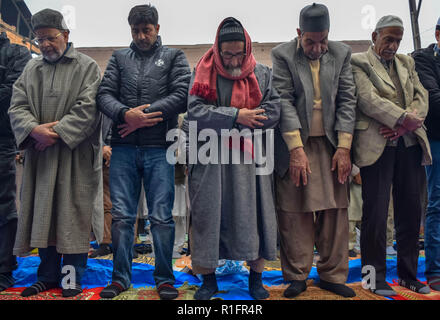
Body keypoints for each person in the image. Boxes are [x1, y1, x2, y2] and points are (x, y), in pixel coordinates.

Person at [96, 4, 191, 300]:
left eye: (146, 30)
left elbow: (183, 95)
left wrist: (142, 116)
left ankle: (164, 279)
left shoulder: (174, 56)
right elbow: (103, 95)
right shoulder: (118, 57)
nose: (141, 36)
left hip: (159, 147)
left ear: (157, 29)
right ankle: (120, 278)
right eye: (136, 31)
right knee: (123, 217)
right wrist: (125, 114)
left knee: (161, 218)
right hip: (123, 148)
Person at [8, 8, 103, 298]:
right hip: (41, 159)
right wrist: (33, 131)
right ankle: (47, 276)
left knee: (71, 216)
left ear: (66, 35)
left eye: (50, 38)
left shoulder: (87, 67)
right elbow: (17, 106)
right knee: (42, 215)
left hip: (75, 158)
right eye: (40, 41)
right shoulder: (31, 69)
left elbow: (89, 108)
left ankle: (70, 278)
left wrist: (55, 134)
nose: (45, 45)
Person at [184, 16, 281, 300]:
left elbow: (274, 110)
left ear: (248, 49)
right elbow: (195, 113)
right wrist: (238, 116)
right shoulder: (201, 74)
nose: (233, 59)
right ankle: (208, 280)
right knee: (208, 215)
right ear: (217, 49)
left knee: (255, 215)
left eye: (240, 53)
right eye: (227, 54)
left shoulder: (263, 74)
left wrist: (245, 121)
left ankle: (256, 278)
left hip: (251, 161)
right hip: (211, 158)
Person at [272, 3, 357, 298]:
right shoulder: (282, 55)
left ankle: (332, 275)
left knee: (336, 209)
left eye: (323, 41)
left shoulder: (342, 53)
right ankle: (297, 275)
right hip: (296, 143)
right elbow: (283, 101)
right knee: (295, 210)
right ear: (299, 34)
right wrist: (296, 149)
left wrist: (344, 148)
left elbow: (348, 101)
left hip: (333, 145)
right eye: (310, 41)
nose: (318, 48)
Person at [351, 15, 431, 296]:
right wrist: (402, 119)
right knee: (375, 214)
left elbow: (422, 95)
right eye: (388, 39)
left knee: (410, 212)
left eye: (397, 40)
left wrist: (408, 123)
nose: (393, 45)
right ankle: (373, 280)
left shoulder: (407, 63)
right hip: (378, 147)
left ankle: (409, 277)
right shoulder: (359, 62)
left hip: (408, 145)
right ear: (374, 37)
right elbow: (367, 99)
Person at [0, 32, 31, 292]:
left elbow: (10, 95)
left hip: (1, 138)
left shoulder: (16, 53)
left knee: (3, 203)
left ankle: (4, 268)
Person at [413, 17, 440, 292]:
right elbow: (434, 101)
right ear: (438, 34)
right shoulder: (423, 59)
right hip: (436, 139)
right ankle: (435, 269)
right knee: (437, 204)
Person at [89, 114, 113, 258]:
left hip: (127, 151)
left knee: (128, 202)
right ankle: (104, 242)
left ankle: (129, 243)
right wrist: (102, 146)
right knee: (104, 201)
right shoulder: (104, 98)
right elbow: (93, 126)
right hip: (103, 155)